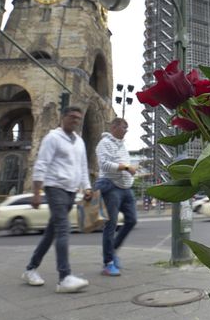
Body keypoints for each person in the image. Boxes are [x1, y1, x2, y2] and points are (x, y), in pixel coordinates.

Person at [22, 106, 93, 293]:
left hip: (71, 191)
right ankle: (64, 277)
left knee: (51, 233)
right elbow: (42, 164)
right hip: (55, 188)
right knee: (63, 229)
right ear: (63, 118)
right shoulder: (52, 138)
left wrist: (87, 187)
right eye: (72, 117)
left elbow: (83, 167)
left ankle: (30, 269)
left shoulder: (79, 142)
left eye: (79, 118)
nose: (75, 120)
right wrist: (36, 192)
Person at [95, 117, 138, 276]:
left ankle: (112, 250)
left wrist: (130, 170)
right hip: (111, 186)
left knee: (132, 220)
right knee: (111, 225)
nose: (126, 130)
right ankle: (108, 263)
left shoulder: (122, 145)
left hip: (126, 188)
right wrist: (127, 167)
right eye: (123, 127)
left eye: (127, 127)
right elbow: (105, 165)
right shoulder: (104, 143)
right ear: (114, 127)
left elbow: (124, 164)